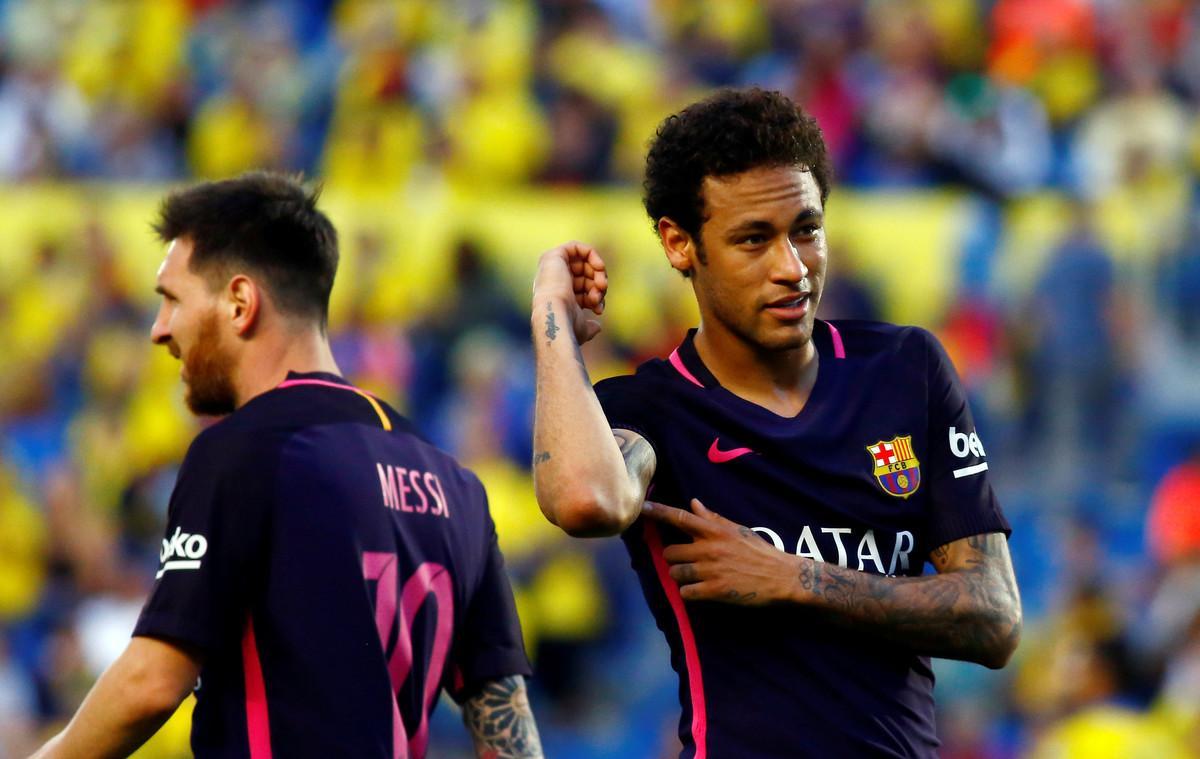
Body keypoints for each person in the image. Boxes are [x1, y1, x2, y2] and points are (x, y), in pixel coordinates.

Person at [530, 88, 1022, 757]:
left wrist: (794, 578)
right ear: (679, 244)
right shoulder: (653, 410)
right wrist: (554, 323)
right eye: (753, 239)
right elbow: (585, 498)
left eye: (807, 230)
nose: (792, 269)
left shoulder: (905, 369)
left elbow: (994, 616)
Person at [33, 172, 542, 759]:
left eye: (172, 299)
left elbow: (152, 682)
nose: (159, 329)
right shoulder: (455, 483)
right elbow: (506, 726)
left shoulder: (246, 449)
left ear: (240, 303)